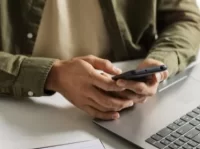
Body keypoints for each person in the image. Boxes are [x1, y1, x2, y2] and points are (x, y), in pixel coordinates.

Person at [0, 0, 200, 120]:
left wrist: (160, 63)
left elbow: (187, 20)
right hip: (23, 107)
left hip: (130, 109)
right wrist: (52, 75)